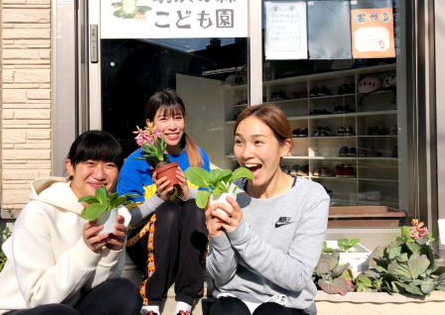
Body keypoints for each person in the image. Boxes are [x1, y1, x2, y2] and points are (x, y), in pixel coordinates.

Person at [0, 130, 142, 315]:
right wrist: (85, 250)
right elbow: (38, 298)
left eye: (109, 165)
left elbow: (96, 288)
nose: (99, 174)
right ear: (70, 167)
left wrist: (111, 253)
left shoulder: (113, 214)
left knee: (124, 292)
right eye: (90, 163)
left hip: (71, 307)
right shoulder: (39, 213)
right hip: (20, 310)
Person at [205, 103, 330, 315]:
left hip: (286, 306)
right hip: (233, 301)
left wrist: (240, 233)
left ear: (285, 147)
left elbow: (297, 277)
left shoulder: (311, 197)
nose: (246, 153)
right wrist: (218, 238)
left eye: (258, 142)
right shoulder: (229, 192)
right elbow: (221, 277)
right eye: (239, 142)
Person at [117, 89, 211, 315]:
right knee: (168, 210)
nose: (172, 126)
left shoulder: (197, 156)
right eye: (163, 118)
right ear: (150, 124)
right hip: (145, 245)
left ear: (184, 120)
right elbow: (129, 220)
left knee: (193, 206)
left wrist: (189, 193)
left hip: (186, 245)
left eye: (177, 117)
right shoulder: (135, 162)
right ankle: (151, 301)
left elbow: (207, 205)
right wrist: (158, 198)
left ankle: (186, 300)